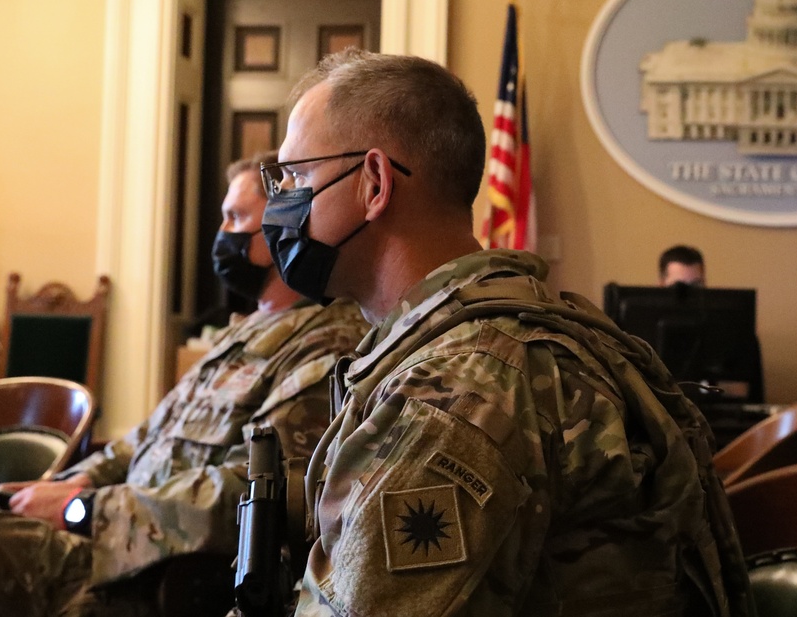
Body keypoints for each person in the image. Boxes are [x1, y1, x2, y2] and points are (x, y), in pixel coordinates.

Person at [259, 50, 753, 616]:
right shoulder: (483, 337)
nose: (282, 202)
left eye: (296, 175)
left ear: (374, 182)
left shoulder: (456, 392)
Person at [0, 152, 370, 617]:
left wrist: (87, 509)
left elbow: (256, 492)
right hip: (98, 538)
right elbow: (145, 437)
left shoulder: (325, 344)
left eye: (236, 218)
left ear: (282, 225)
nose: (222, 235)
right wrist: (78, 481)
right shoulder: (239, 333)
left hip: (142, 573)